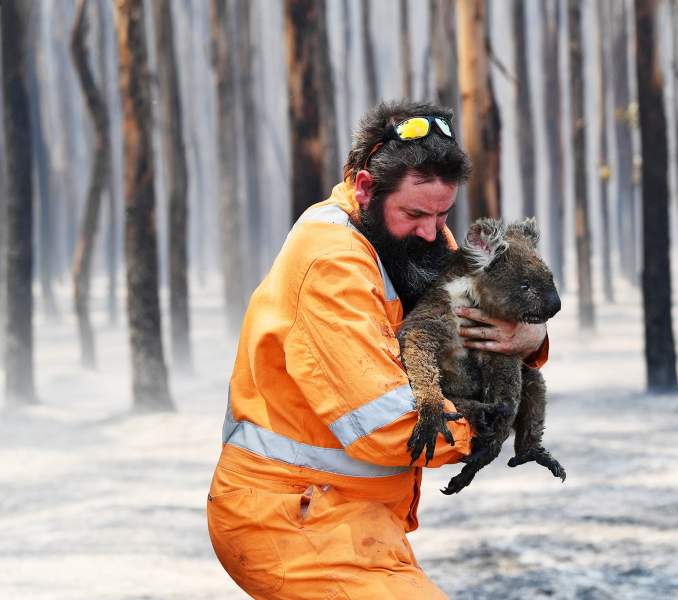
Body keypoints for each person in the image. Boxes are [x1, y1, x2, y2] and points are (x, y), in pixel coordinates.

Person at [207, 100, 549, 599]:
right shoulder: (332, 264)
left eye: (443, 213)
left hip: (353, 517)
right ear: (367, 188)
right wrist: (491, 423)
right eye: (415, 213)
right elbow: (386, 424)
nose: (435, 231)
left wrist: (531, 340)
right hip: (291, 520)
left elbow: (482, 316)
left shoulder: (409, 237)